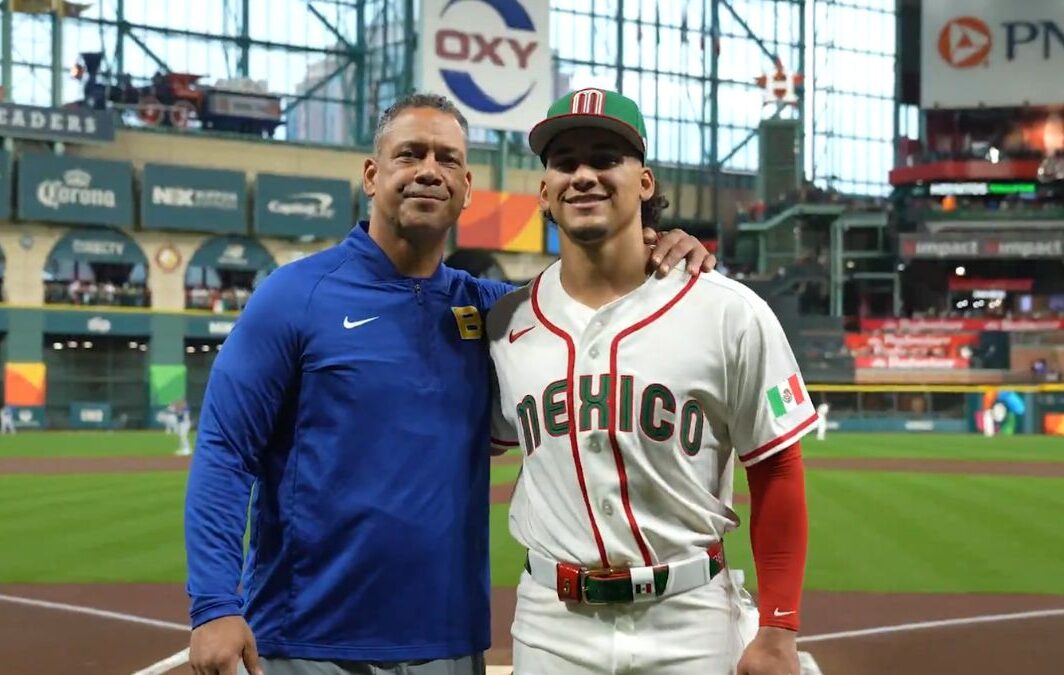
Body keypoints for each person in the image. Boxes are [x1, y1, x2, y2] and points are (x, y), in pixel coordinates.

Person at [184, 92, 715, 675]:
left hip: (450, 643)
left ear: (466, 187)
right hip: (310, 640)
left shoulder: (496, 313)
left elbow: (589, 295)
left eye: (448, 159)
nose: (429, 171)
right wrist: (214, 605)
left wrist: (661, 245)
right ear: (371, 174)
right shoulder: (293, 297)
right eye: (410, 154)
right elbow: (225, 453)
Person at [487, 88, 815, 675]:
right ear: (544, 190)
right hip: (553, 625)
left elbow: (776, 468)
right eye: (565, 162)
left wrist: (779, 628)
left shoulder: (727, 311)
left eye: (606, 157)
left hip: (690, 618)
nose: (584, 174)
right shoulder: (505, 323)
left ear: (644, 182)